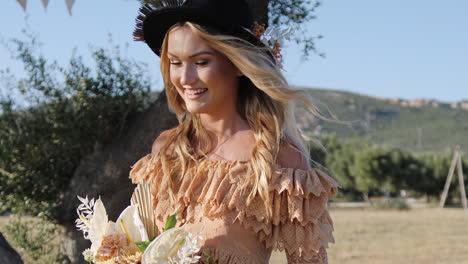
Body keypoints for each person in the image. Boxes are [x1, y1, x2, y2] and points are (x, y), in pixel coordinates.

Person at [129, 0, 340, 263]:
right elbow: (140, 245)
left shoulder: (280, 159)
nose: (185, 78)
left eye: (201, 62)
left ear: (238, 64)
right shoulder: (166, 149)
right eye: (175, 62)